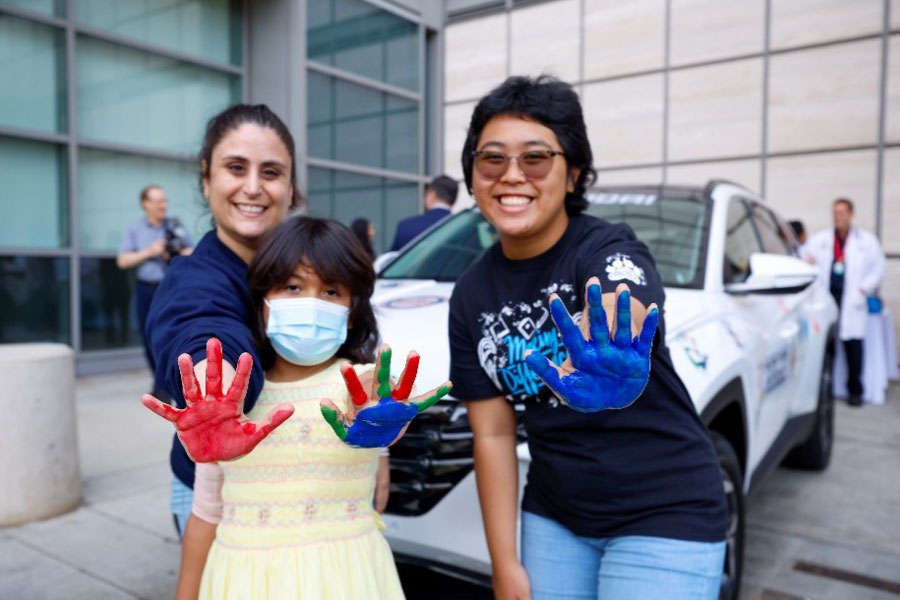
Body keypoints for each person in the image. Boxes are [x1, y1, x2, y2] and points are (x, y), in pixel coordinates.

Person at [448, 76, 727, 600]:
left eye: (536, 158)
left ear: (573, 175)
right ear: (472, 175)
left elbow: (626, 293)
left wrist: (619, 342)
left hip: (666, 511)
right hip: (556, 516)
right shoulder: (470, 294)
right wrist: (504, 563)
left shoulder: (606, 248)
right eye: (492, 159)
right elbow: (493, 435)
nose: (512, 175)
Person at [143, 216, 452, 599]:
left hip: (347, 582)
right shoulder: (231, 400)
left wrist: (384, 419)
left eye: (331, 292)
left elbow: (379, 400)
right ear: (261, 300)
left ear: (354, 309)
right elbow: (205, 514)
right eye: (292, 286)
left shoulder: (356, 386)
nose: (310, 303)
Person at [144, 104, 303, 540]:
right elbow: (202, 330)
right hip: (220, 500)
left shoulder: (314, 272)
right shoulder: (192, 278)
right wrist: (215, 387)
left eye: (271, 172)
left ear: (291, 188)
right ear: (206, 178)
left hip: (308, 491)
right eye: (236, 168)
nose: (253, 187)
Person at [805, 198, 886, 406]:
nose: (837, 216)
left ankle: (855, 391)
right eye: (835, 212)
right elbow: (804, 255)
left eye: (841, 212)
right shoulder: (822, 239)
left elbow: (878, 267)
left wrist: (864, 288)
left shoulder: (866, 241)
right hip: (829, 297)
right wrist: (809, 261)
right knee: (828, 346)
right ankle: (827, 389)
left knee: (853, 347)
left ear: (851, 214)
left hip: (852, 299)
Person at [117, 185, 192, 367]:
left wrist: (175, 253)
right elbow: (122, 261)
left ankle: (170, 379)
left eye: (164, 201)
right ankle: (160, 381)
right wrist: (149, 252)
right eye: (158, 201)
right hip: (147, 290)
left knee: (172, 334)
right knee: (148, 335)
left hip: (172, 289)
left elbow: (192, 253)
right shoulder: (135, 229)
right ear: (146, 204)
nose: (163, 206)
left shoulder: (175, 225)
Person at [389, 175, 458, 251]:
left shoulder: (406, 226)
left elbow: (391, 259)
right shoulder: (462, 229)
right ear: (454, 200)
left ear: (432, 194)